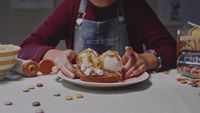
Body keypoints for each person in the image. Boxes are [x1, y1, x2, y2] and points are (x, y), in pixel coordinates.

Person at [19, 0, 176, 79]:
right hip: (79, 95)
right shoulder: (71, 5)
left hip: (126, 93)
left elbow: (171, 48)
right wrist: (53, 55)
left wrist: (146, 60)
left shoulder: (135, 5)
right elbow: (26, 47)